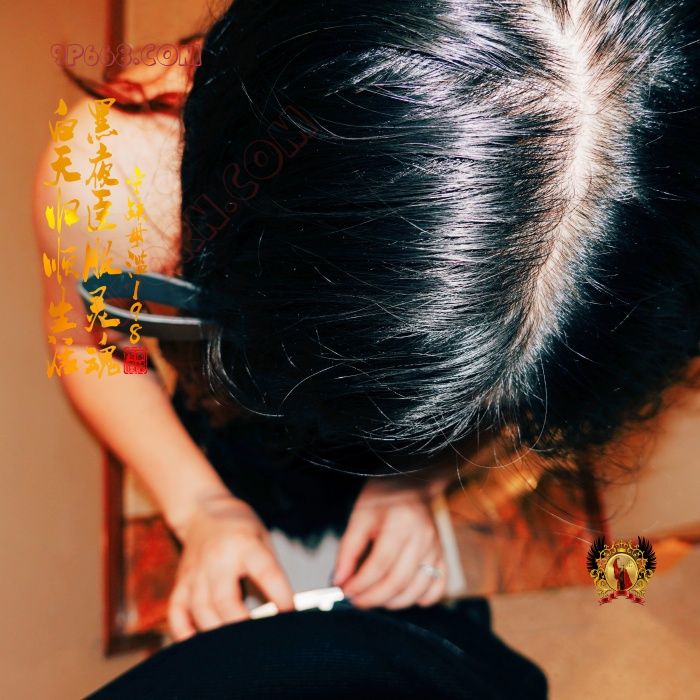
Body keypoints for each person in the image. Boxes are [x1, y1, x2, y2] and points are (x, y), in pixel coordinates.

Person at [35, 0, 698, 658]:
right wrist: (199, 504)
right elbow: (94, 348)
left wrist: (410, 483)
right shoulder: (110, 190)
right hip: (229, 433)